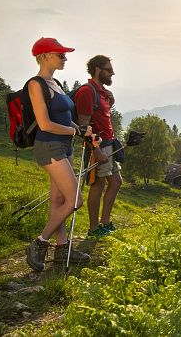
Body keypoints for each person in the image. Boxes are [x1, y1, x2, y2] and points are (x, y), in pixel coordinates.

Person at [25, 37, 99, 272]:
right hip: (50, 146)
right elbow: (45, 124)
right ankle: (39, 242)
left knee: (58, 201)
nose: (65, 58)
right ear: (45, 56)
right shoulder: (35, 84)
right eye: (60, 54)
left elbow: (66, 117)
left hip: (65, 147)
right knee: (75, 200)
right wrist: (74, 131)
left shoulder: (55, 82)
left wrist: (81, 130)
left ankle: (62, 248)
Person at [73, 55, 122, 239]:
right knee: (98, 184)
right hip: (99, 147)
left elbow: (102, 117)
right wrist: (96, 149)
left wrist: (111, 102)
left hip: (109, 144)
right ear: (97, 69)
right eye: (109, 70)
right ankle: (94, 229)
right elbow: (84, 126)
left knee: (116, 182)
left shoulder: (102, 92)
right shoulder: (87, 91)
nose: (112, 73)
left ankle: (105, 222)